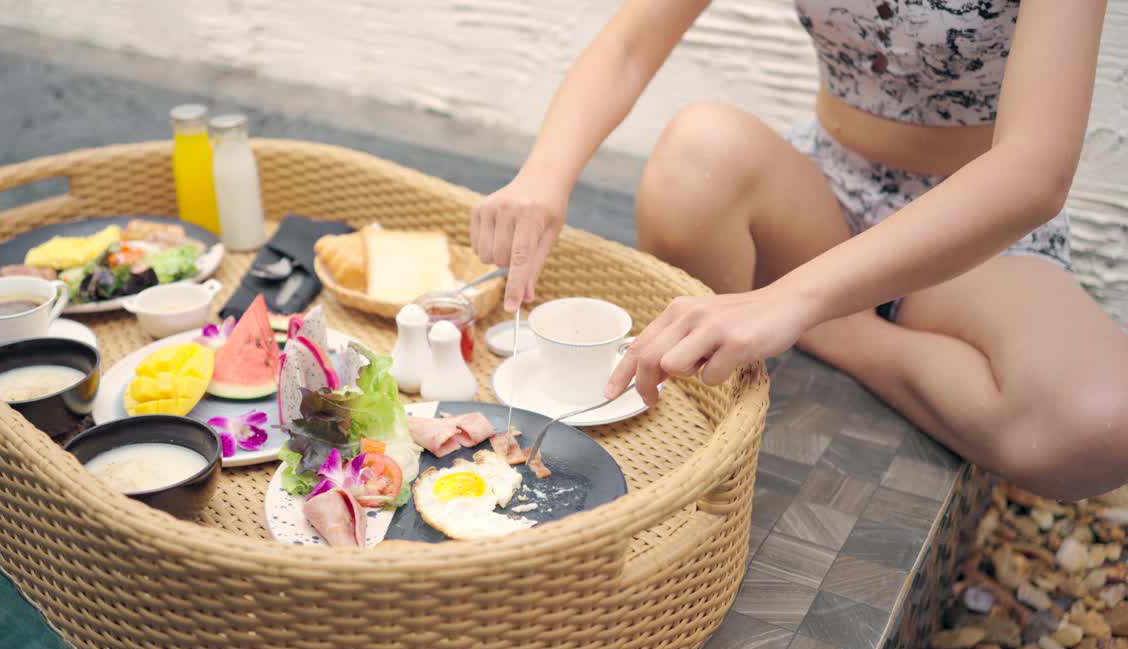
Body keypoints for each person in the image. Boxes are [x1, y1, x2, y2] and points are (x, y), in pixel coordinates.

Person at [470, 0, 1127, 501]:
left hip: (977, 228)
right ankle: (796, 353)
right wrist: (544, 177)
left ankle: (838, 333)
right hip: (827, 195)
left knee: (1099, 420)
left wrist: (794, 301)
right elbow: (634, 42)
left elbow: (1034, 171)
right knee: (699, 152)